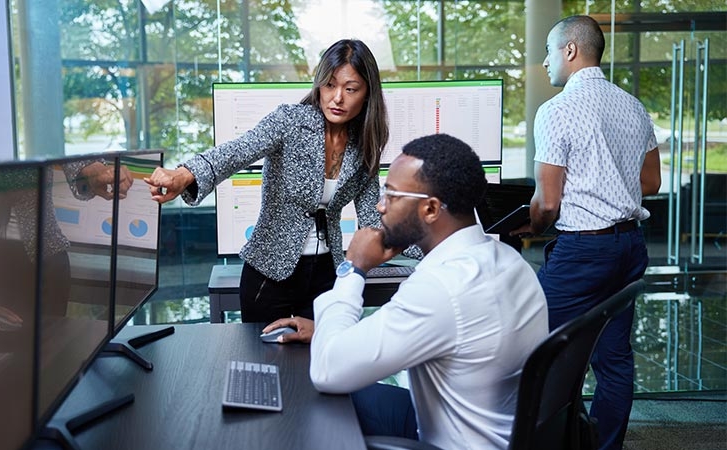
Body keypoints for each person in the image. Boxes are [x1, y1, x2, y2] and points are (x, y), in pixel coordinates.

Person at [307, 133, 548, 450]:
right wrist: (328, 330)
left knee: (316, 405)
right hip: (490, 428)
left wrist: (354, 269)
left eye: (391, 195)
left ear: (431, 209)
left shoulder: (441, 288)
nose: (380, 207)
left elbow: (327, 371)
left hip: (453, 442)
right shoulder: (508, 261)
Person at [144, 39, 390, 324]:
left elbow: (375, 219)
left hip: (326, 274)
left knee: (320, 363)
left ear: (367, 93)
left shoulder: (365, 144)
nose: (337, 98)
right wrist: (185, 174)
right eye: (330, 85)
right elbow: (238, 150)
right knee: (265, 365)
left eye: (350, 89)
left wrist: (437, 240)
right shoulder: (290, 121)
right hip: (269, 276)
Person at [511, 15, 662, 450]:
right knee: (614, 362)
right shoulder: (632, 105)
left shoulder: (557, 110)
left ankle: (539, 441)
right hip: (630, 245)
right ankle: (600, 446)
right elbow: (649, 184)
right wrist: (609, 185)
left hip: (583, 251)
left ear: (571, 50)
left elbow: (549, 201)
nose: (544, 62)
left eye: (547, 52)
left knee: (533, 346)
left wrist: (530, 224)